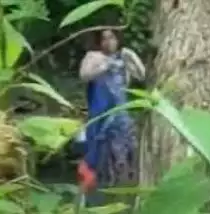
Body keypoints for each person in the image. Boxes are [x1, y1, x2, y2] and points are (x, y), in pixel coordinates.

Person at [76, 29, 145, 206]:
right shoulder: (93, 56)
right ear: (99, 42)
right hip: (100, 118)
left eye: (112, 38)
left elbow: (141, 75)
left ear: (117, 39)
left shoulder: (122, 59)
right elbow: (84, 75)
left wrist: (131, 56)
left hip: (121, 118)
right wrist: (103, 66)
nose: (108, 42)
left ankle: (121, 197)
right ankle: (94, 197)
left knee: (124, 159)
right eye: (104, 39)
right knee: (98, 157)